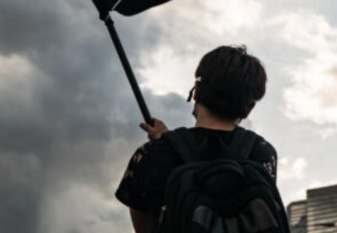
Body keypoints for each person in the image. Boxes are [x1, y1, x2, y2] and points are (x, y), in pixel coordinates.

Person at [115, 45, 278, 233]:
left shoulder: (150, 154)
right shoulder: (263, 152)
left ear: (197, 90)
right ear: (249, 107)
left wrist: (164, 144)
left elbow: (145, 226)